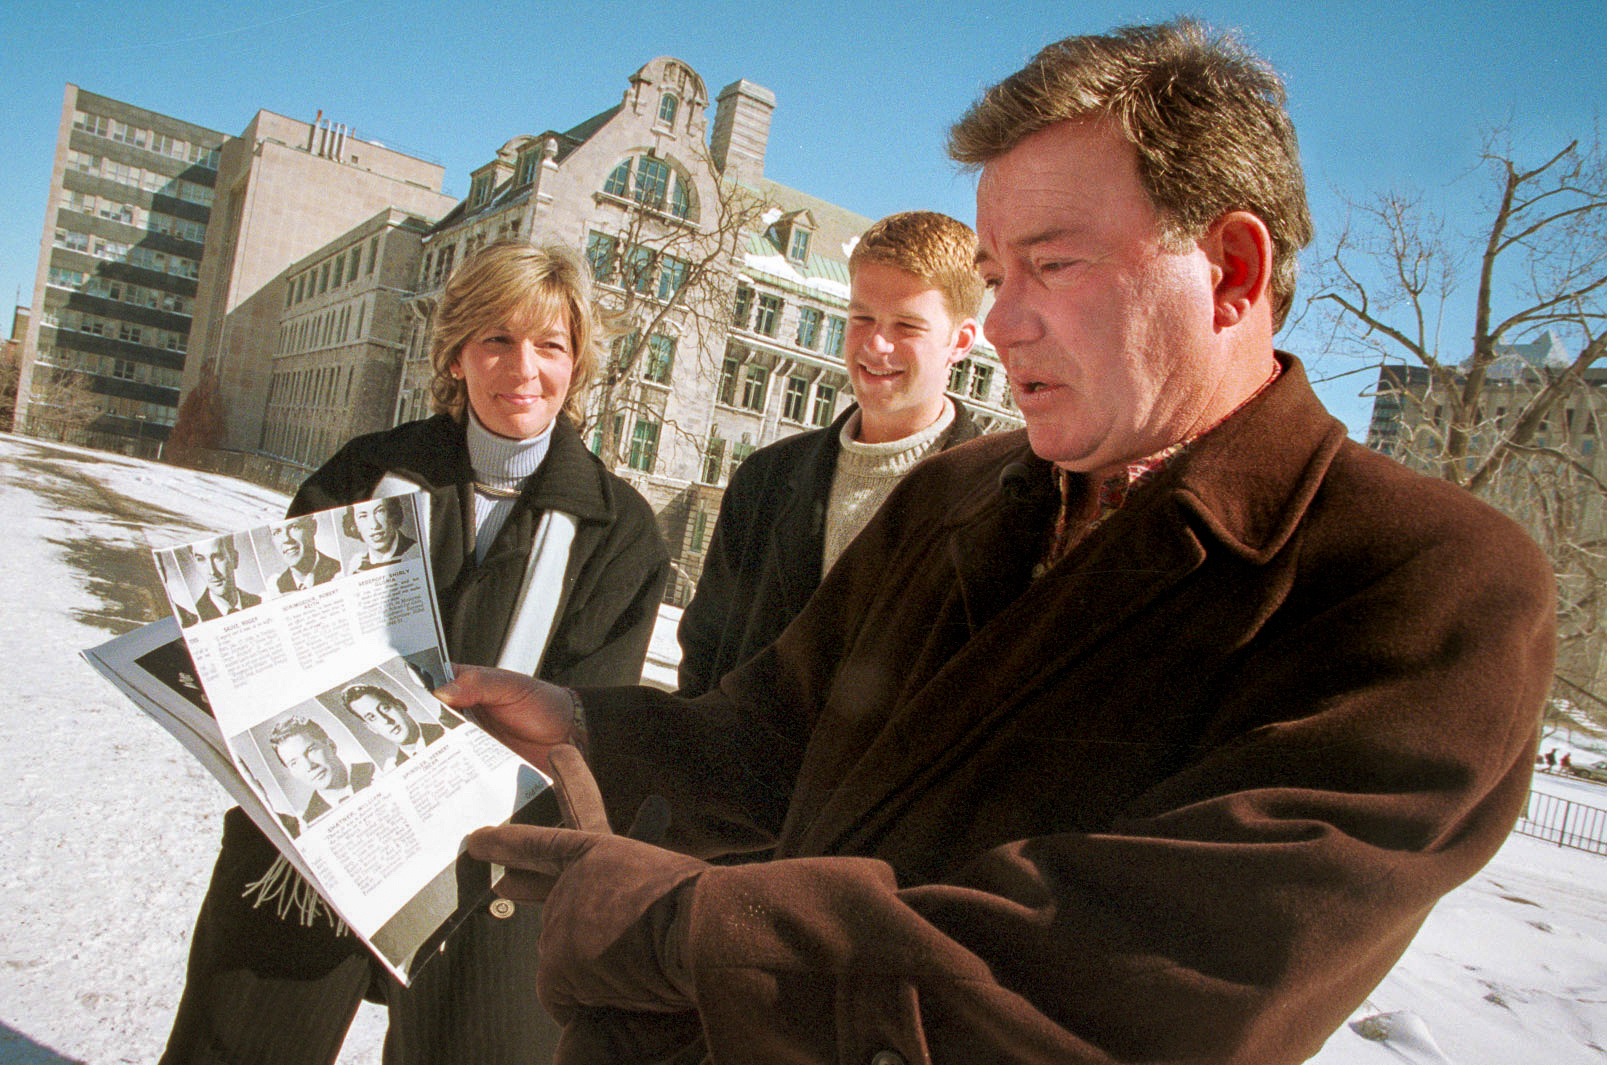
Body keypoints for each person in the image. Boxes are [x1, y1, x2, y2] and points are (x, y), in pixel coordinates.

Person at [443, 21, 1556, 1064]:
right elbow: (774, 729)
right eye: (992, 275)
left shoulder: (1428, 585)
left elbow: (1125, 974)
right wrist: (590, 725)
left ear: (1231, 271)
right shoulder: (953, 496)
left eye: (1054, 265)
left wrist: (686, 931)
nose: (1005, 324)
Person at [161, 240, 671, 1065]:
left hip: (493, 870)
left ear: (578, 363)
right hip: (312, 840)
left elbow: (586, 723)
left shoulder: (620, 531)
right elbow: (268, 645)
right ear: (456, 352)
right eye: (497, 340)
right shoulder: (365, 474)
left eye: (550, 344)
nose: (523, 368)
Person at [677, 210, 986, 695]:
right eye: (862, 317)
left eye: (906, 325)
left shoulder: (997, 499)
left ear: (960, 341)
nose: (876, 344)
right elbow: (705, 653)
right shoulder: (766, 479)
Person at [268, 715, 374, 825]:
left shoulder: (377, 771)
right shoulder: (309, 822)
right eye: (294, 763)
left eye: (310, 751)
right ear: (291, 772)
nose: (309, 766)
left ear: (331, 745)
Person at [339, 682, 446, 768]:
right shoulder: (393, 768)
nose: (386, 720)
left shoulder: (446, 730)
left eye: (385, 708)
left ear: (400, 705)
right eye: (372, 718)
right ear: (371, 728)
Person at [188, 535, 260, 620]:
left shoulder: (258, 602)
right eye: (200, 559)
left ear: (235, 559)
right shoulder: (195, 618)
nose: (212, 571)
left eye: (218, 557)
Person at [271, 515, 340, 593]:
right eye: (276, 532)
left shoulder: (338, 571)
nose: (286, 538)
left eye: (295, 527)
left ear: (313, 527)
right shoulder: (277, 586)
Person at [345, 497, 417, 569]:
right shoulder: (355, 566)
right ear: (354, 525)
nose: (375, 525)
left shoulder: (416, 551)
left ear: (392, 514)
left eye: (380, 511)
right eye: (363, 516)